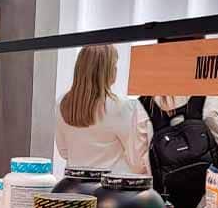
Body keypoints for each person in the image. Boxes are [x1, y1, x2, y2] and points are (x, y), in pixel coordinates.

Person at [54, 45, 151, 175]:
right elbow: (137, 162)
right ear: (107, 71)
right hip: (111, 184)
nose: (116, 70)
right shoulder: (122, 106)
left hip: (75, 183)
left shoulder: (61, 102)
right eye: (114, 65)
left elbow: (64, 152)